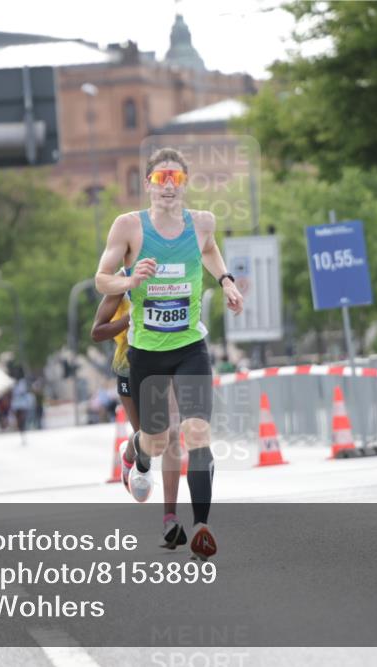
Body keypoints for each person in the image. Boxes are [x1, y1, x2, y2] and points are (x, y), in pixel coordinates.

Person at [94, 147, 244, 560]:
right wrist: (129, 281)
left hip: (190, 348)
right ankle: (134, 453)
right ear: (148, 185)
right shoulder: (128, 228)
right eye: (161, 178)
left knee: (197, 433)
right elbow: (101, 280)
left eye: (175, 178)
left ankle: (201, 528)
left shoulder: (202, 224)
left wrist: (227, 282)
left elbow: (211, 250)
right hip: (146, 352)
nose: (168, 186)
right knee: (157, 442)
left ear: (185, 183)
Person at [92, 290, 188, 549]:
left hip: (167, 360)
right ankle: (132, 452)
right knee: (150, 439)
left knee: (171, 435)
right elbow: (97, 331)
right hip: (130, 365)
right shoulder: (122, 284)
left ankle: (170, 519)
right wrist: (131, 318)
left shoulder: (175, 276)